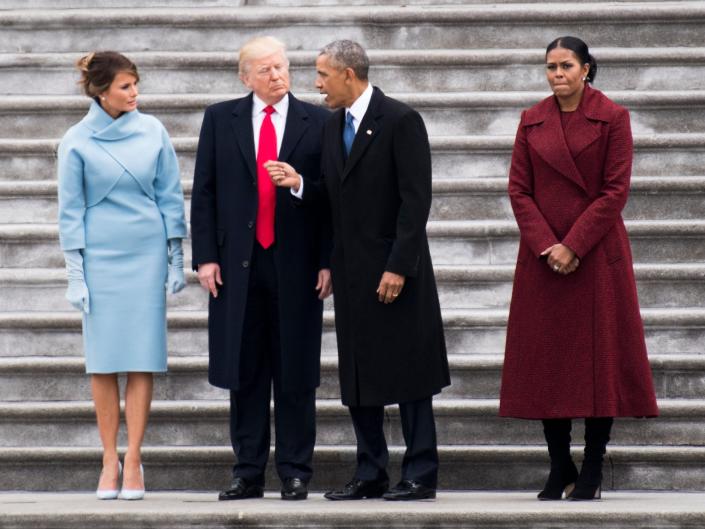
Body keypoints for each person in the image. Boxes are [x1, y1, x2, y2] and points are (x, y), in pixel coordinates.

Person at [270, 39, 449, 501]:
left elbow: (416, 201)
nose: (316, 84)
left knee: (411, 374)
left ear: (349, 74)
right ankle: (371, 472)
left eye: (323, 75)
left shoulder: (401, 120)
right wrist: (301, 184)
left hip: (396, 271)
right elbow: (335, 192)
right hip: (351, 273)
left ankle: (420, 473)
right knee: (359, 374)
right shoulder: (332, 127)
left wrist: (398, 267)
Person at [499, 36, 659, 501]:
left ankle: (591, 467)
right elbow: (519, 190)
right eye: (550, 67)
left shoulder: (613, 117)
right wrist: (549, 244)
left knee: (598, 364)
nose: (557, 74)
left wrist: (574, 244)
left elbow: (615, 191)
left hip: (595, 257)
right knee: (548, 362)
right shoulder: (532, 121)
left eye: (566, 65)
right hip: (543, 257)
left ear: (587, 69)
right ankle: (558, 464)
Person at [190, 36, 331, 502]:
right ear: (245, 76)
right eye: (266, 69)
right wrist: (206, 256)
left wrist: (327, 257)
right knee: (245, 369)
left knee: (295, 370)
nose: (277, 76)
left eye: (282, 67)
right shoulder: (219, 118)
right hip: (237, 265)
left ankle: (295, 470)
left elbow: (332, 196)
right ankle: (247, 470)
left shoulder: (319, 120)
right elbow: (205, 191)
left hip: (297, 263)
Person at [57, 51, 187, 500]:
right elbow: (69, 211)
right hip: (101, 255)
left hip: (145, 252)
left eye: (136, 84)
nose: (135, 94)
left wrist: (175, 257)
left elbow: (169, 195)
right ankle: (108, 458)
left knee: (141, 355)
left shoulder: (153, 130)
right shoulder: (75, 140)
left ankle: (134, 458)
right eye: (125, 87)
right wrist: (76, 273)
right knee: (104, 360)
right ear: (100, 91)